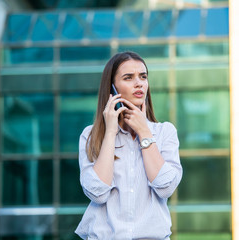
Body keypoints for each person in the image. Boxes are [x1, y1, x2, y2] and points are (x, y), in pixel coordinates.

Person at [75, 51, 183, 240]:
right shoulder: (91, 135)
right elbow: (97, 193)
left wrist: (144, 133)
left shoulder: (165, 132)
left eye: (143, 76)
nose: (139, 83)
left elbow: (165, 188)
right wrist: (110, 132)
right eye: (128, 77)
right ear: (112, 88)